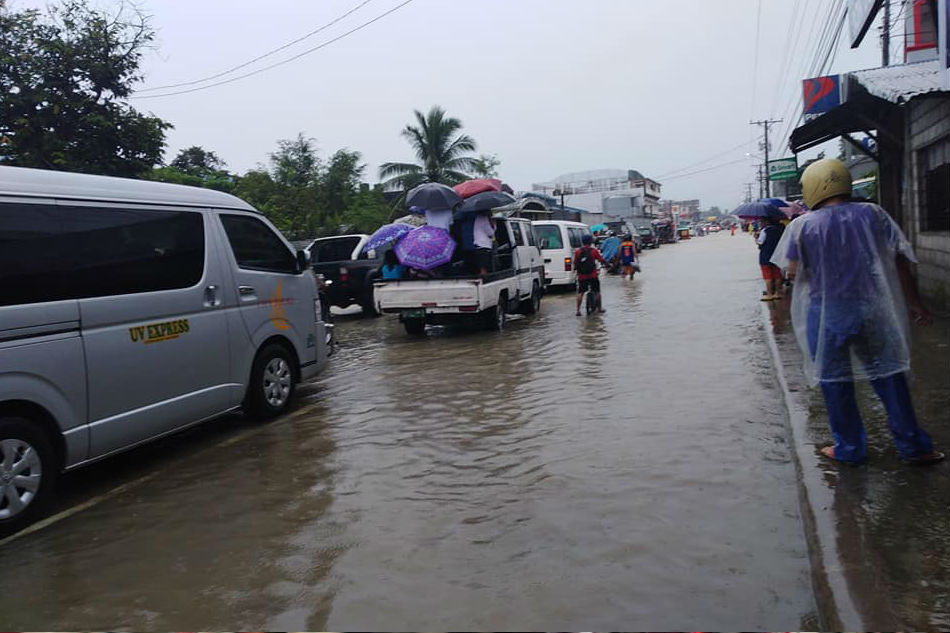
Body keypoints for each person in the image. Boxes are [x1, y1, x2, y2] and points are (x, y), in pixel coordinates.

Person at [772, 158, 943, 466]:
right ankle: (915, 447)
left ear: (813, 187)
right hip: (873, 310)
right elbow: (900, 261)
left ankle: (849, 449)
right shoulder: (874, 214)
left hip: (827, 315)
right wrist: (916, 305)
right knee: (889, 376)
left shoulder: (802, 226)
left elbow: (794, 275)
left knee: (835, 383)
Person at [574, 233, 607, 316]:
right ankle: (599, 309)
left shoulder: (577, 252)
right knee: (597, 292)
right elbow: (601, 260)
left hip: (582, 276)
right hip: (593, 275)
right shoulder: (594, 251)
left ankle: (578, 311)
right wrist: (608, 265)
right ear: (591, 241)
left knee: (580, 292)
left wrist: (576, 271)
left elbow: (575, 263)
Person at [757, 216, 785, 301]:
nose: (760, 223)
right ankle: (777, 293)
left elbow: (760, 242)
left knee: (768, 276)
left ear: (766, 222)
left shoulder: (765, 231)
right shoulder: (780, 230)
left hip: (766, 256)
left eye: (761, 222)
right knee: (777, 275)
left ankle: (769, 294)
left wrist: (756, 239)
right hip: (777, 255)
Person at [472, 211, 495, 277]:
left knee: (481, 266)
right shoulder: (485, 219)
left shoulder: (477, 218)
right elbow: (490, 233)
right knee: (484, 269)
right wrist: (493, 224)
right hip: (484, 245)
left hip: (478, 244)